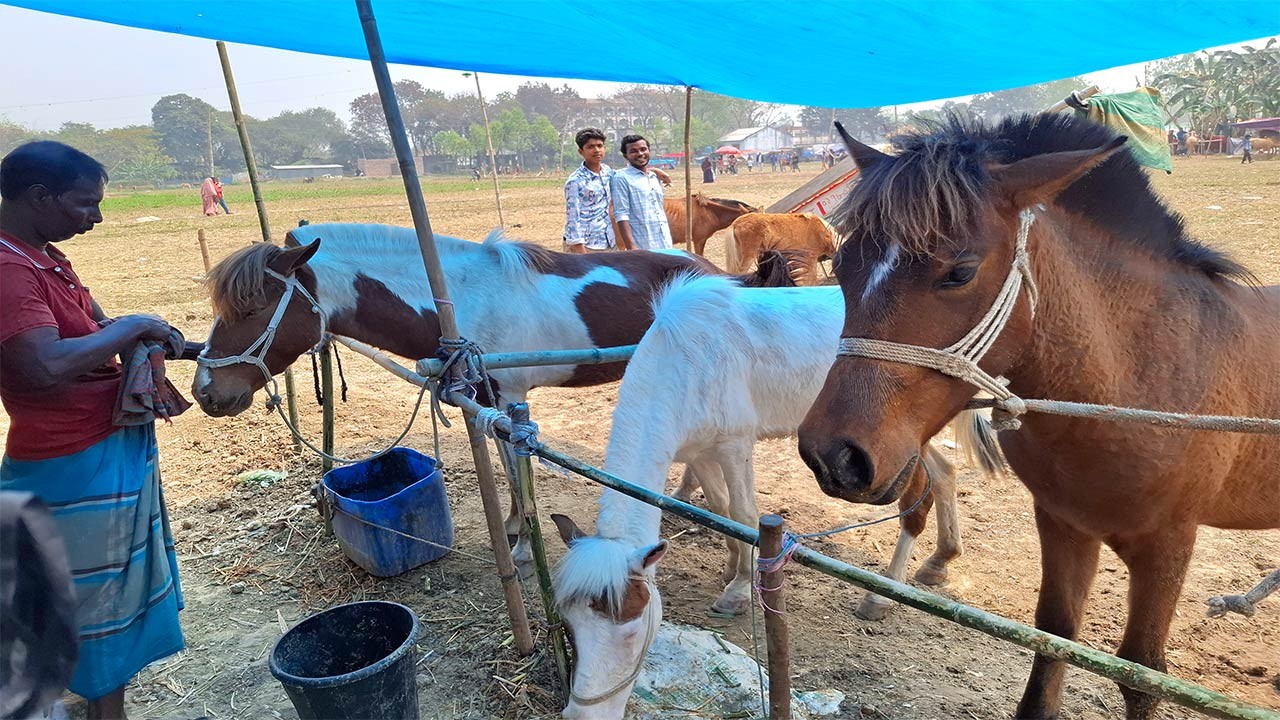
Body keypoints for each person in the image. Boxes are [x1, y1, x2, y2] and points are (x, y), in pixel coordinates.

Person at [1, 141, 199, 720]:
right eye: (85, 204)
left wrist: (203, 350)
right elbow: (44, 365)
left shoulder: (42, 256)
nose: (97, 217)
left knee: (94, 601)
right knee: (88, 606)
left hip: (95, 449)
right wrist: (137, 323)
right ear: (40, 197)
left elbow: (91, 335)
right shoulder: (9, 269)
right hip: (70, 460)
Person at [609, 134, 672, 251]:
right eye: (633, 151)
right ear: (625, 156)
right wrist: (631, 246)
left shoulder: (653, 177)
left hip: (664, 242)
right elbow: (621, 214)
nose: (640, 154)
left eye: (643, 149)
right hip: (642, 246)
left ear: (649, 150)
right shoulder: (621, 178)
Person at [562, 128, 617, 253]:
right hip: (586, 246)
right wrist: (581, 254)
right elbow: (573, 218)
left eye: (599, 146)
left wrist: (654, 171)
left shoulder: (608, 172)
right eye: (590, 147)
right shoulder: (575, 181)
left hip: (608, 242)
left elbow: (626, 177)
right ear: (581, 151)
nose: (597, 150)